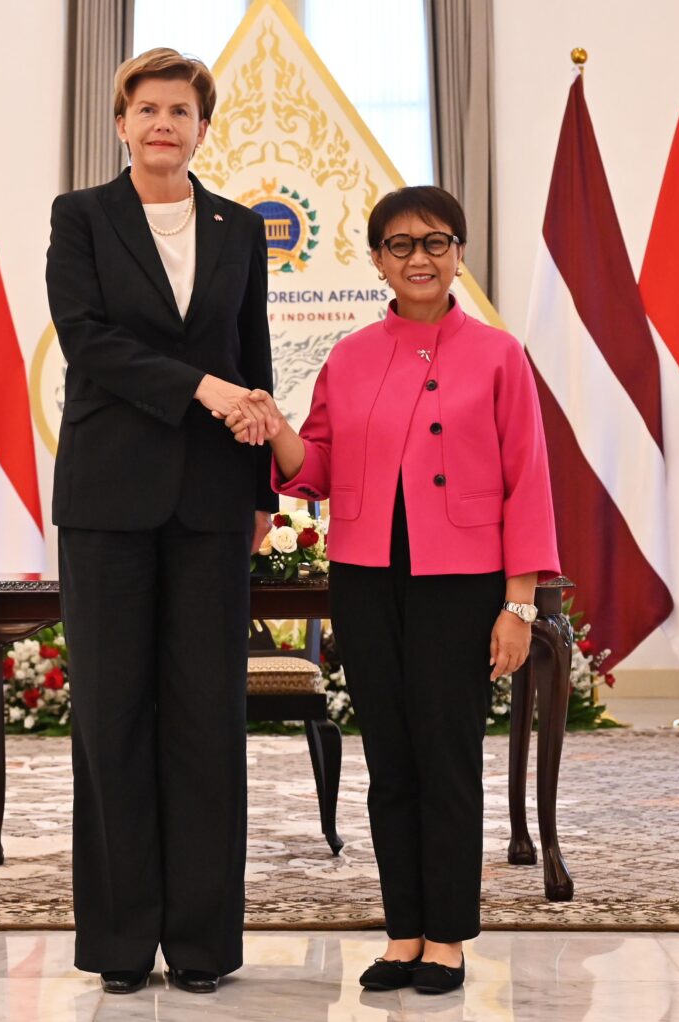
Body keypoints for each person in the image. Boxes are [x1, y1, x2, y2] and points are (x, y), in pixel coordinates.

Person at [225, 186, 560, 995]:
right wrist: (276, 431)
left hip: (464, 584)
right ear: (377, 259)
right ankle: (402, 932)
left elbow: (529, 484)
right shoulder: (349, 356)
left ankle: (447, 938)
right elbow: (321, 468)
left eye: (436, 242)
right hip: (367, 580)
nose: (419, 258)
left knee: (446, 758)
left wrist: (519, 604)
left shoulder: (500, 355)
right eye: (401, 244)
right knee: (391, 761)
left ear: (458, 255)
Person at [45, 47, 280, 996]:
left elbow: (252, 346)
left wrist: (262, 484)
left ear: (202, 127)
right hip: (108, 497)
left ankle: (201, 946)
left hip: (215, 501)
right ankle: (117, 945)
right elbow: (88, 342)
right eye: (145, 109)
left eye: (180, 111)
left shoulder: (237, 226)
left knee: (206, 718)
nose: (162, 125)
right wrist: (202, 388)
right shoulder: (82, 218)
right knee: (110, 715)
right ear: (120, 123)